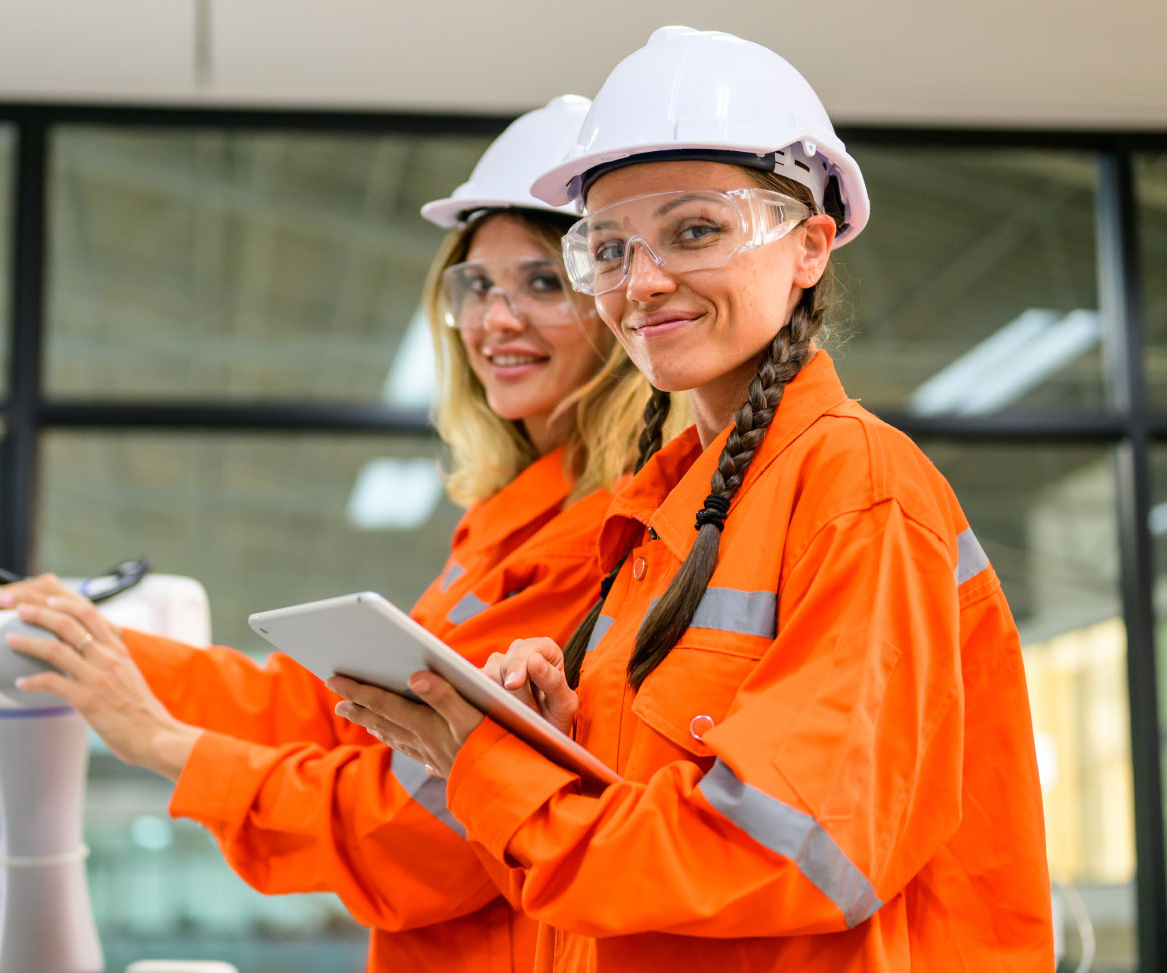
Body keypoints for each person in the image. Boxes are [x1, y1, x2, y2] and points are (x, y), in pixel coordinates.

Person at [328, 28, 1055, 972]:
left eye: (696, 230)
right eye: (612, 247)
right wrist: (553, 737)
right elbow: (651, 812)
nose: (644, 281)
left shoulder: (857, 486)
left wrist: (495, 772)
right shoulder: (664, 516)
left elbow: (792, 851)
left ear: (809, 247)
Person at [0, 95, 686, 973]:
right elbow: (341, 713)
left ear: (615, 294)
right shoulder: (510, 520)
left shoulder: (605, 536)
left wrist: (163, 743)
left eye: (543, 282)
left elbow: (421, 826)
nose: (496, 319)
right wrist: (101, 646)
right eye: (476, 285)